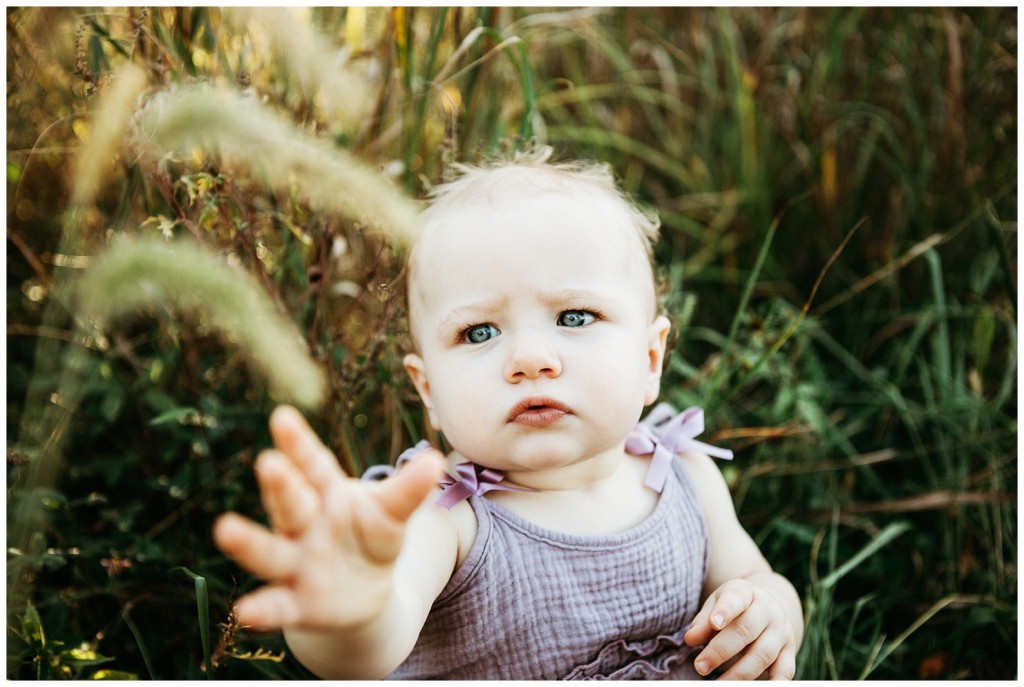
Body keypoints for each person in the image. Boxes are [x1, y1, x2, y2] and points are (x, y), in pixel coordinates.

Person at [213, 146, 803, 680]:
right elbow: (366, 653)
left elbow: (753, 578)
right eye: (479, 331)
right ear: (428, 391)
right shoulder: (445, 519)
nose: (529, 359)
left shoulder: (686, 479)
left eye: (574, 317)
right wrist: (348, 606)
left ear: (650, 359)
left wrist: (773, 608)